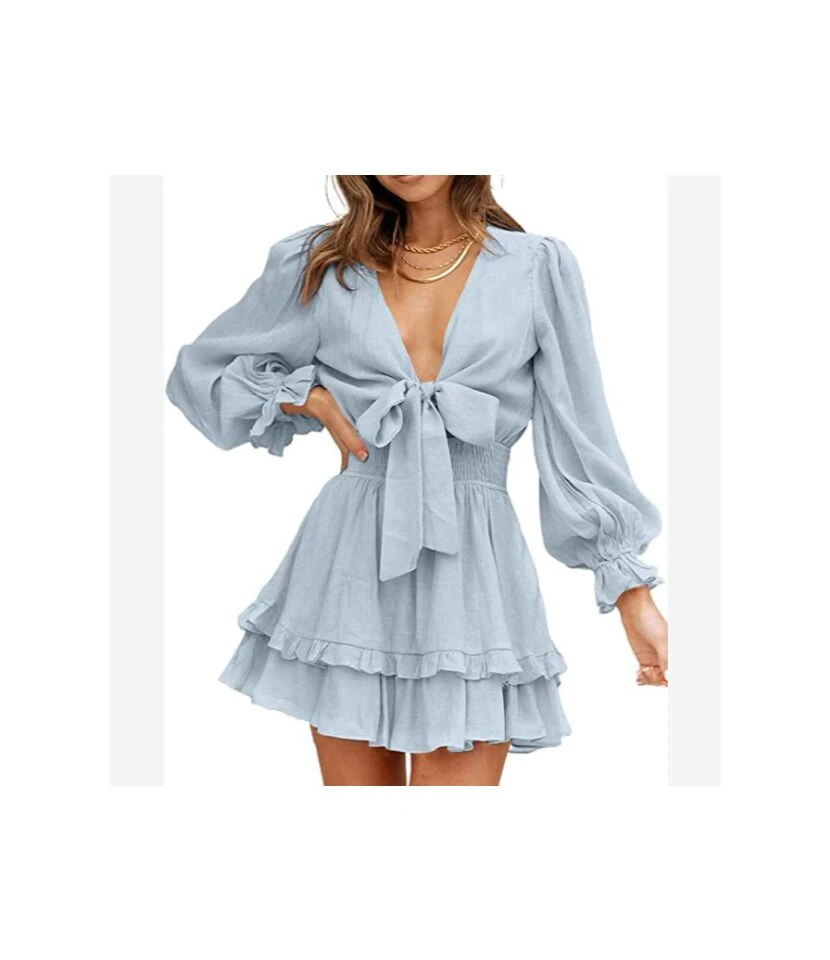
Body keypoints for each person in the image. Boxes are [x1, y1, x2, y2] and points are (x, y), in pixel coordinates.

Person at [166, 175, 667, 787]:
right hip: (351, 559)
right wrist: (308, 397)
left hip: (474, 565)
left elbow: (580, 433)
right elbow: (201, 373)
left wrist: (631, 593)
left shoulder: (536, 267)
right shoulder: (323, 262)